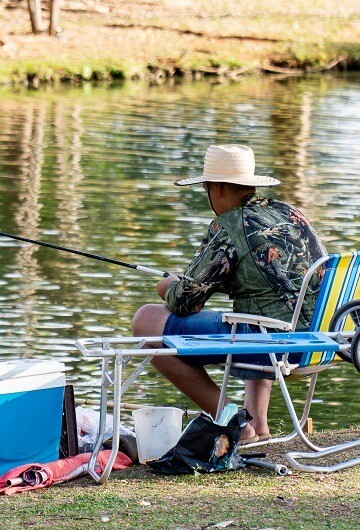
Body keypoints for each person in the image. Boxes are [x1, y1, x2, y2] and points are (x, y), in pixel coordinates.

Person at [132, 145, 327, 443]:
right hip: (319, 339)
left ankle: (236, 422)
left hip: (282, 345)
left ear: (218, 188)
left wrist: (167, 286)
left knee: (146, 321)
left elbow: (184, 302)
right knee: (257, 311)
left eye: (207, 189)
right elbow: (274, 282)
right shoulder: (288, 213)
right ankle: (257, 423)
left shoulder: (228, 225)